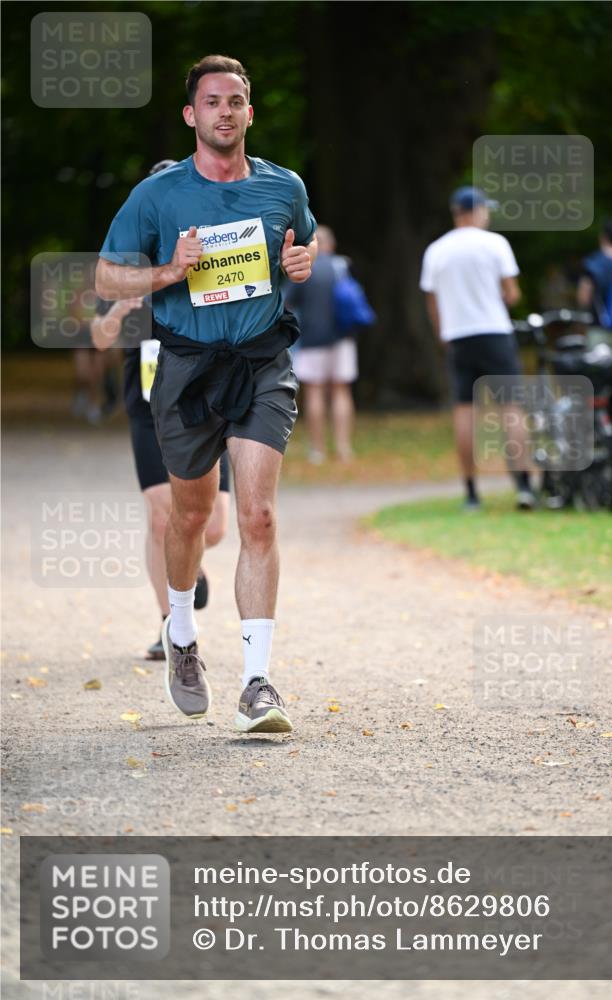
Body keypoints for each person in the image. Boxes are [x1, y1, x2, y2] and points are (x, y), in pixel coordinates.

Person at [96, 55, 317, 733]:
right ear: (192, 116)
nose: (225, 111)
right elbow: (108, 279)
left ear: (250, 112)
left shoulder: (284, 186)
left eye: (237, 101)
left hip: (260, 363)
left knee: (257, 518)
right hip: (186, 370)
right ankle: (182, 637)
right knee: (188, 520)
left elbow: (298, 253)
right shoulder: (157, 197)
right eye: (212, 102)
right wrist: (171, 270)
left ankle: (257, 683)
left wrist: (300, 265)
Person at [91, 159, 230, 662]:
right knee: (159, 519)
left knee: (212, 527)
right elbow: (98, 338)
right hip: (149, 408)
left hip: (208, 404)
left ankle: (189, 559)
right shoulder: (128, 267)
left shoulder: (209, 260)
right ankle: (171, 626)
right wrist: (121, 314)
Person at [420, 186, 534, 511]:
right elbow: (511, 293)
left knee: (464, 410)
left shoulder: (437, 250)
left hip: (458, 335)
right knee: (511, 408)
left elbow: (432, 302)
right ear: (479, 210)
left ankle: (471, 492)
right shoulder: (495, 244)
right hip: (495, 332)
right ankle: (524, 486)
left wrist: (443, 335)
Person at [287, 225, 358, 463]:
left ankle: (317, 450)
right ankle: (343, 447)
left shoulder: (305, 268)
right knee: (341, 391)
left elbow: (289, 303)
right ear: (332, 244)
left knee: (315, 392)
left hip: (311, 339)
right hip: (343, 337)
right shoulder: (342, 266)